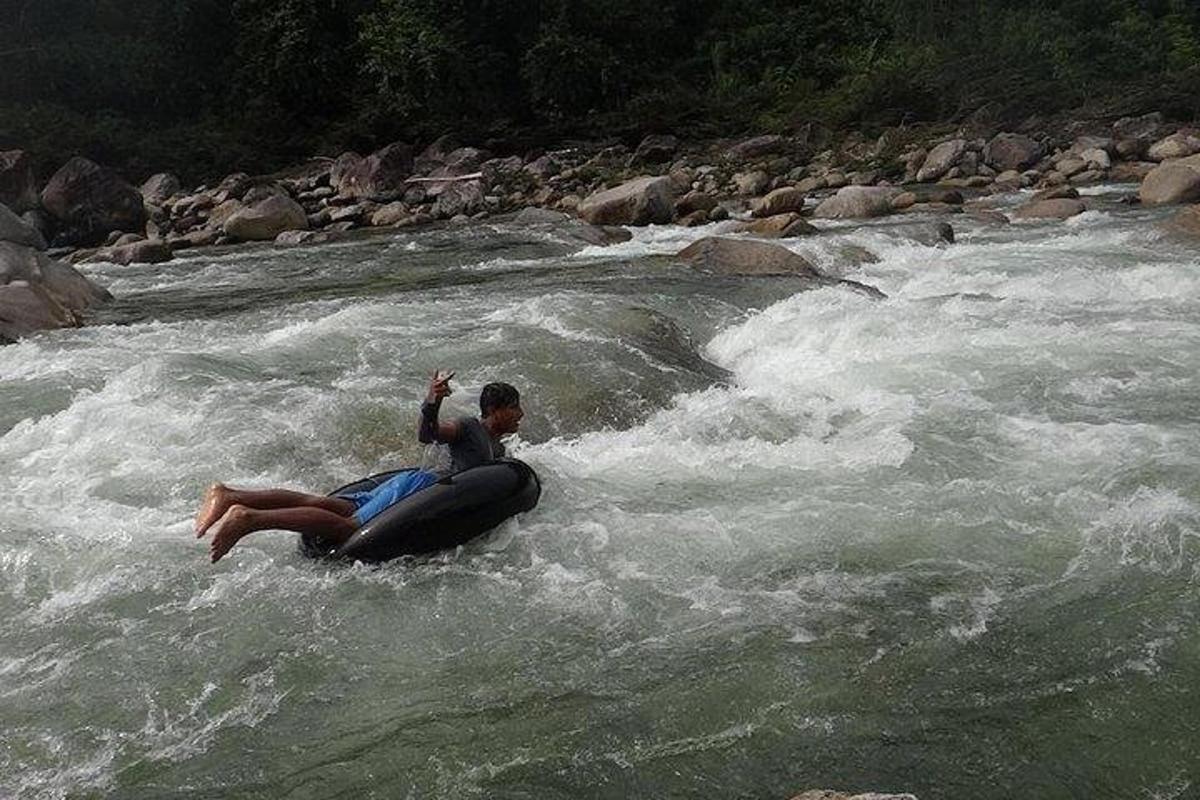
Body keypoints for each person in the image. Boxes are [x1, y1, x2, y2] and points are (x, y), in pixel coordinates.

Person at [195, 371, 524, 563]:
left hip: (409, 487)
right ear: (494, 410)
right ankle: (250, 519)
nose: (521, 414)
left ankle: (229, 495)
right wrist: (433, 400)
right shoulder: (468, 427)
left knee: (325, 504)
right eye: (514, 407)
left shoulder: (497, 448)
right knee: (348, 526)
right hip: (420, 488)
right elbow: (429, 434)